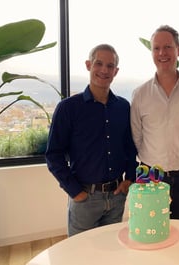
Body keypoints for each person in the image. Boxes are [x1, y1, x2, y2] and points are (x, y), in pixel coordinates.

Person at [45, 44, 138, 236]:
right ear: (89, 65)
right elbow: (54, 155)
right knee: (80, 256)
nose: (104, 70)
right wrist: (75, 191)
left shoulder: (123, 107)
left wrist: (129, 178)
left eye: (110, 66)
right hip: (85, 199)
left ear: (116, 71)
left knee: (111, 251)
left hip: (116, 196)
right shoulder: (68, 108)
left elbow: (129, 147)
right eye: (99, 63)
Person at [130, 25, 179, 220]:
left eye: (168, 47)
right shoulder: (140, 94)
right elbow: (137, 137)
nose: (162, 53)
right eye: (156, 48)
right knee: (150, 231)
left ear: (178, 50)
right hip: (150, 177)